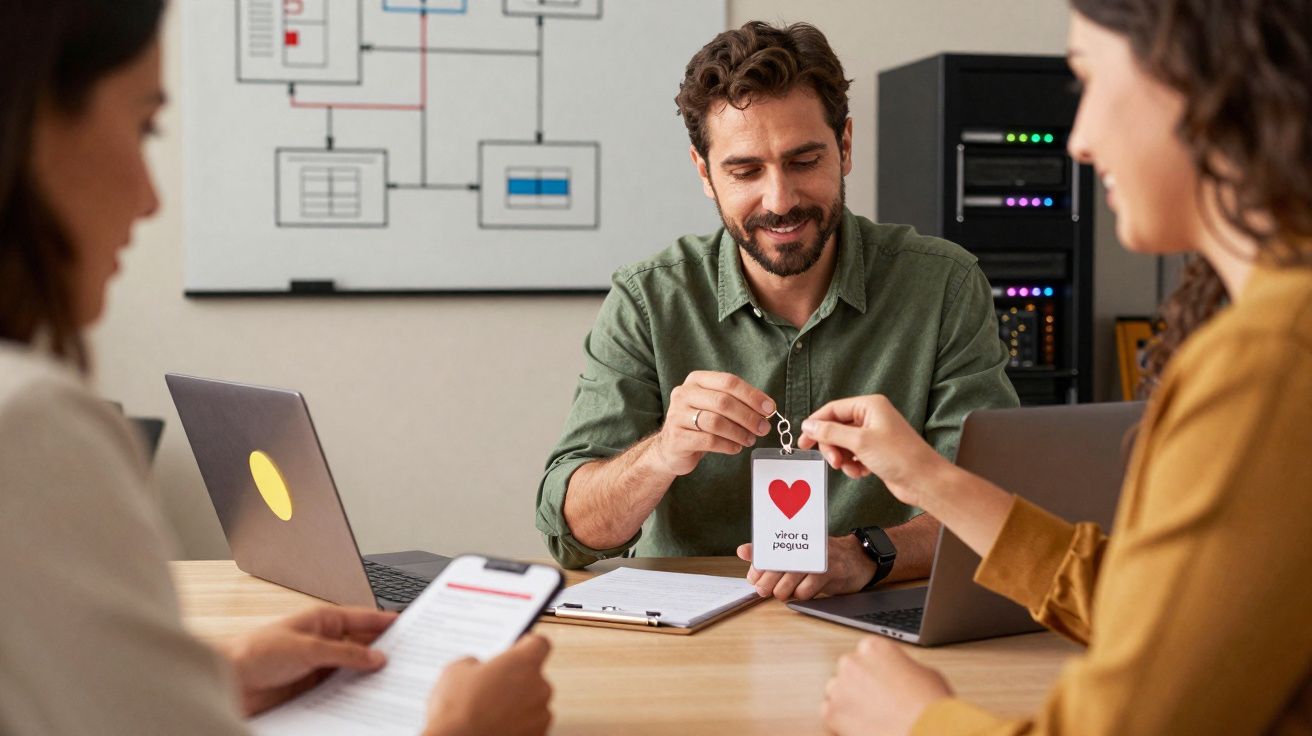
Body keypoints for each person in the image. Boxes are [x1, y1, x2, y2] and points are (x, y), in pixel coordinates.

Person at [0, 2, 552, 734]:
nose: (151, 197)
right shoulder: (30, 428)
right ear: (30, 121)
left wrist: (207, 687)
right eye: (144, 125)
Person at [810, 1, 1312, 734]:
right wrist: (926, 477)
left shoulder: (1266, 363)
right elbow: (1158, 617)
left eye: (1087, 81)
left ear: (1198, 76)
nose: (1078, 140)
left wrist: (915, 719)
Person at [535, 21, 1019, 600]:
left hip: (872, 626)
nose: (780, 200)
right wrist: (663, 452)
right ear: (704, 173)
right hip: (684, 649)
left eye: (804, 160)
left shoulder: (943, 286)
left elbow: (993, 515)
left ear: (844, 147)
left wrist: (866, 553)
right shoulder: (649, 299)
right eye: (745, 172)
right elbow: (572, 533)